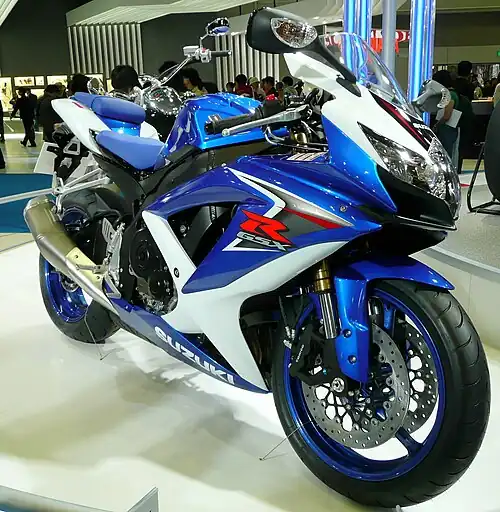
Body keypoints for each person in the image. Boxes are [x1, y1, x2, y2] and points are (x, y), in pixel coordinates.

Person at [432, 70, 459, 164]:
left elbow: (447, 115)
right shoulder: (453, 94)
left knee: (445, 156)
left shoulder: (449, 95)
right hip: (449, 129)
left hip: (446, 130)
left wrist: (436, 125)